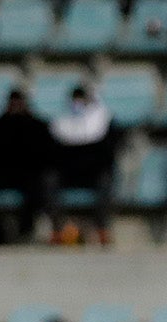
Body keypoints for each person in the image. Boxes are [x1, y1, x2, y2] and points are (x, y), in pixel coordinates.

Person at [45, 85, 117, 246]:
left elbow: (107, 154)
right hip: (68, 173)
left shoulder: (102, 121)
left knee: (106, 179)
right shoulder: (61, 122)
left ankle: (103, 230)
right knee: (49, 179)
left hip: (92, 172)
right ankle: (56, 230)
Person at [0, 88, 52, 244]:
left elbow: (46, 155)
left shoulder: (37, 126)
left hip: (28, 175)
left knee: (38, 191)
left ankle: (25, 230)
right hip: (1, 175)